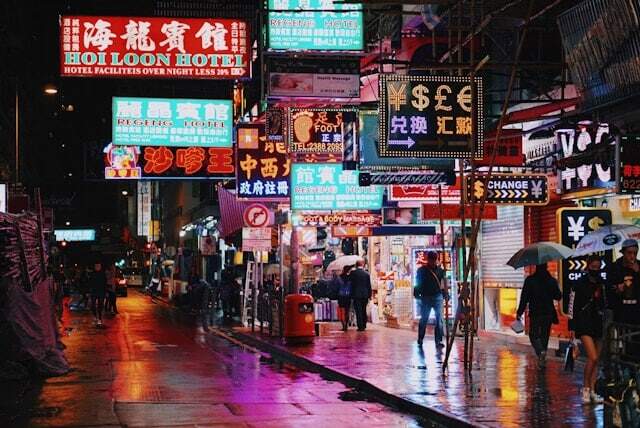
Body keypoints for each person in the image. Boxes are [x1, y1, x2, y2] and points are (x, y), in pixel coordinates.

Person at [569, 255, 606, 404]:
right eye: (593, 267)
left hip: (597, 323)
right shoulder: (578, 284)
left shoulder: (601, 284)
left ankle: (592, 389)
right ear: (587, 267)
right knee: (593, 357)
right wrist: (571, 328)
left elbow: (604, 303)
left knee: (596, 360)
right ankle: (585, 388)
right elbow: (572, 307)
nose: (595, 270)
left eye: (598, 267)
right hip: (583, 324)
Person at [516, 263, 562, 368]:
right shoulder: (551, 281)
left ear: (536, 267)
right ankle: (542, 357)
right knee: (544, 336)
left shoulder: (530, 280)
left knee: (533, 335)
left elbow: (524, 298)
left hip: (536, 313)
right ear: (546, 267)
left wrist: (519, 312)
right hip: (548, 313)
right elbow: (558, 296)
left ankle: (540, 352)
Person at [607, 239, 640, 360]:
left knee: (636, 342)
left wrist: (637, 272)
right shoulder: (615, 267)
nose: (632, 256)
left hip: (636, 311)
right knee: (624, 341)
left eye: (635, 253)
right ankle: (624, 369)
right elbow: (608, 287)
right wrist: (617, 288)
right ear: (623, 252)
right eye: (629, 253)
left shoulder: (638, 266)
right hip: (621, 312)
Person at [414, 251, 447, 348]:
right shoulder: (422, 270)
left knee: (439, 320)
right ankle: (420, 339)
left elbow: (443, 285)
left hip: (437, 297)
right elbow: (418, 283)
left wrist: (445, 294)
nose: (433, 261)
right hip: (426, 297)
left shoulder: (440, 271)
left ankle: (438, 340)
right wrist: (417, 293)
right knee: (424, 319)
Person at [348, 260, 371, 331]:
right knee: (364, 310)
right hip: (365, 295)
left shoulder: (353, 273)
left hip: (356, 294)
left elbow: (350, 284)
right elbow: (368, 285)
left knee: (358, 310)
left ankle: (360, 326)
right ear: (363, 265)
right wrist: (369, 295)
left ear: (356, 265)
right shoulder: (366, 274)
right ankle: (364, 324)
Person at [334, 266, 353, 331]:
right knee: (347, 311)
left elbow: (336, 287)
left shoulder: (339, 277)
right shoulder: (350, 278)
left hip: (341, 296)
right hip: (348, 296)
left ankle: (343, 324)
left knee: (341, 311)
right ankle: (346, 325)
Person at [89, 261, 107, 326]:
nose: (97, 267)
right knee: (92, 305)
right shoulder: (92, 274)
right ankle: (95, 316)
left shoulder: (103, 274)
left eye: (99, 266)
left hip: (101, 292)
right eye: (96, 266)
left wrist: (105, 292)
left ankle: (99, 318)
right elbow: (90, 283)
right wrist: (89, 291)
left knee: (100, 306)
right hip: (94, 291)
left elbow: (105, 283)